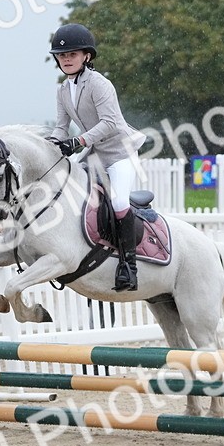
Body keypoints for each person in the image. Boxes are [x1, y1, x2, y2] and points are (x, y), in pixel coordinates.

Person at [45, 23, 147, 291]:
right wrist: (50, 145)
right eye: (62, 55)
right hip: (95, 154)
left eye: (72, 54)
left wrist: (79, 141)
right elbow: (61, 127)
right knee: (69, 193)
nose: (66, 59)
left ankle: (128, 266)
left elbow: (110, 123)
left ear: (86, 56)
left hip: (120, 152)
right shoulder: (62, 90)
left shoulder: (99, 84)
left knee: (119, 202)